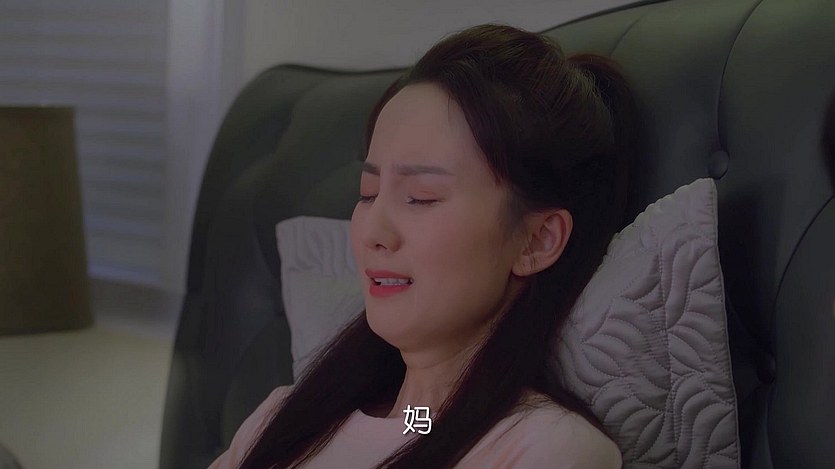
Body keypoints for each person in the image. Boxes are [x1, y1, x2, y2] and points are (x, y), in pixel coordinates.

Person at [209, 22, 640, 469]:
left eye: (421, 197)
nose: (373, 232)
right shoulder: (286, 417)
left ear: (537, 240)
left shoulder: (544, 447)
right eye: (368, 193)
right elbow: (416, 426)